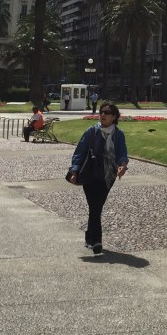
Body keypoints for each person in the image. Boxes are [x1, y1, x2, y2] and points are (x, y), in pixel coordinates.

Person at [66, 102, 128, 255]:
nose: (103, 115)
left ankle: (90, 237)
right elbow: (80, 151)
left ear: (114, 116)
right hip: (90, 174)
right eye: (101, 112)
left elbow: (122, 152)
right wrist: (74, 170)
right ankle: (97, 241)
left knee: (96, 206)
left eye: (107, 112)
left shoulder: (118, 134)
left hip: (107, 176)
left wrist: (122, 165)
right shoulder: (91, 131)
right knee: (94, 207)